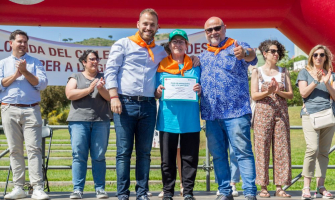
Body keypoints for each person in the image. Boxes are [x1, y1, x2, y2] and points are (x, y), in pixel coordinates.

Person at [105, 9, 199, 200]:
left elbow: (179, 58)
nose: (148, 27)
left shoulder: (160, 51)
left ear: (158, 28)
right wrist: (113, 96)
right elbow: (110, 70)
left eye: (152, 24)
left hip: (148, 106)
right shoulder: (122, 44)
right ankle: (123, 193)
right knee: (123, 153)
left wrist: (195, 60)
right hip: (124, 103)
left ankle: (141, 193)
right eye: (145, 23)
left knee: (144, 153)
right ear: (138, 24)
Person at [199, 17, 258, 200]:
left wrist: (245, 52)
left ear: (224, 28)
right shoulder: (203, 55)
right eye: (209, 30)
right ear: (205, 33)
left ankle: (249, 192)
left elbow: (252, 56)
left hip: (236, 113)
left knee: (243, 153)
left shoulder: (238, 46)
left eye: (217, 28)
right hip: (211, 114)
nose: (213, 32)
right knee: (218, 156)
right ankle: (224, 191)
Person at [0, 30, 49, 200]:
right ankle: (18, 188)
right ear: (11, 43)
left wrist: (25, 71)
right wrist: (16, 74)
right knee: (15, 150)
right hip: (9, 109)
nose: (23, 44)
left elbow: (41, 84)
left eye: (25, 42)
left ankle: (37, 188)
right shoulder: (3, 63)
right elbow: (0, 84)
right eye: (19, 41)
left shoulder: (35, 62)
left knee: (34, 149)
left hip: (31, 109)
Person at [155, 29, 201, 200]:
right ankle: (168, 192)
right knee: (167, 160)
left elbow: (203, 89)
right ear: (170, 45)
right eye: (174, 42)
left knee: (190, 158)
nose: (178, 44)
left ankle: (188, 191)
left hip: (190, 120)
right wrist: (158, 91)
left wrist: (200, 89)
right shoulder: (161, 66)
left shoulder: (196, 64)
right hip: (168, 120)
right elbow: (154, 92)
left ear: (187, 45)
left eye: (182, 41)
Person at [65, 50, 112, 199]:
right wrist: (89, 89)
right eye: (91, 59)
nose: (95, 61)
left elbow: (111, 98)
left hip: (101, 121)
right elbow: (69, 94)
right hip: (79, 121)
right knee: (79, 156)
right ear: (84, 62)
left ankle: (100, 189)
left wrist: (100, 88)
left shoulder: (104, 78)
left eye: (97, 59)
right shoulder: (76, 77)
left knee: (99, 156)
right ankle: (77, 190)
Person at [250, 40, 293, 198]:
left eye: (278, 52)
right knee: (261, 149)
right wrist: (268, 92)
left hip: (281, 113)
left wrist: (278, 91)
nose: (276, 54)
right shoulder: (257, 71)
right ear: (265, 53)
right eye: (273, 51)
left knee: (282, 149)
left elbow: (290, 95)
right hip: (263, 113)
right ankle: (263, 187)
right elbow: (254, 95)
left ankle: (280, 186)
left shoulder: (284, 71)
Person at [296, 44, 335, 200]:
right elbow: (303, 93)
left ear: (326, 57)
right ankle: (306, 187)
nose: (318, 57)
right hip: (310, 115)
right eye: (315, 55)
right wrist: (316, 81)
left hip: (328, 116)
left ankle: (321, 187)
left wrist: (326, 82)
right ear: (311, 57)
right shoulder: (304, 72)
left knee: (324, 152)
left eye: (322, 55)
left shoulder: (331, 74)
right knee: (312, 149)